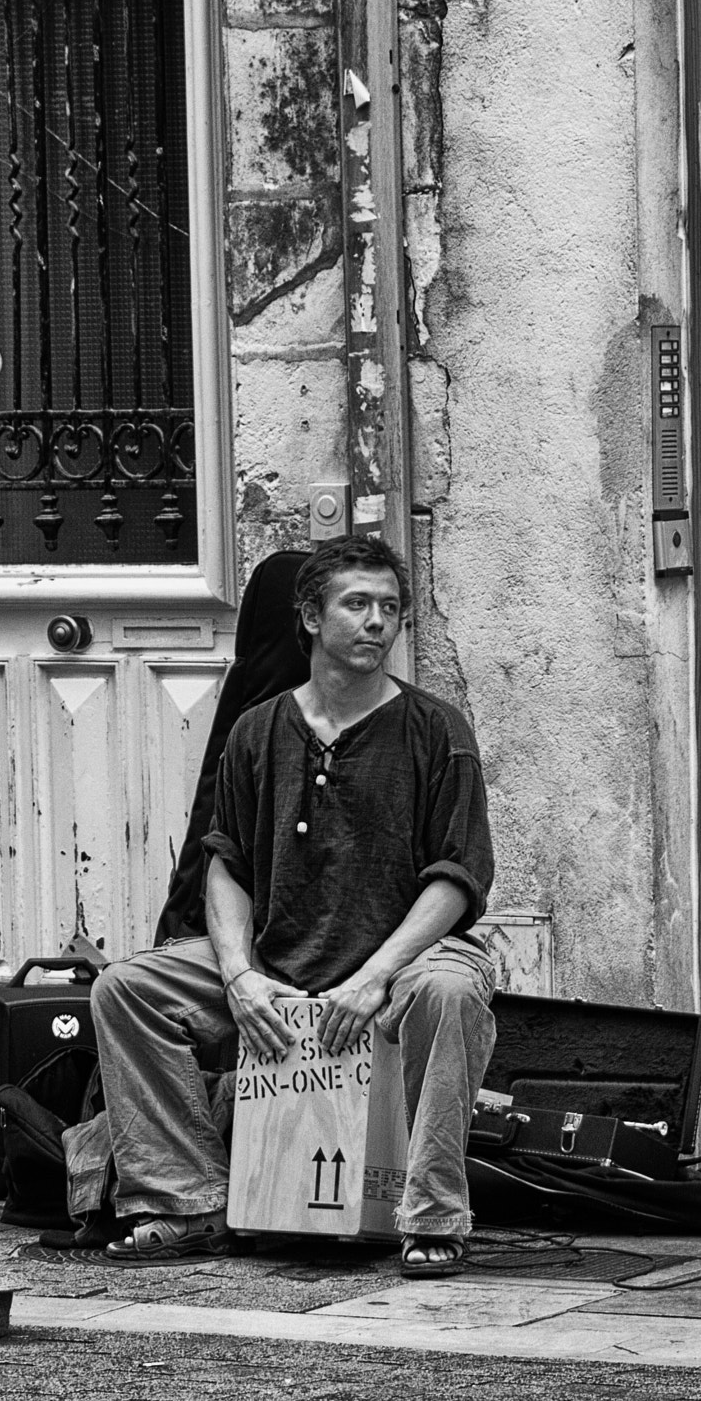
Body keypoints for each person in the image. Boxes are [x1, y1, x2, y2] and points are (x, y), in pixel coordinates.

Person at [91, 534, 497, 1277]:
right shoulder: (258, 730)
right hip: (281, 955)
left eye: (391, 608)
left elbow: (457, 880)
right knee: (127, 989)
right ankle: (186, 1199)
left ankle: (431, 1211)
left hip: (404, 956)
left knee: (450, 992)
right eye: (357, 604)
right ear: (310, 617)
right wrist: (240, 975)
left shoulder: (437, 731)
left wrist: (375, 976)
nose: (378, 622)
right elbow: (226, 867)